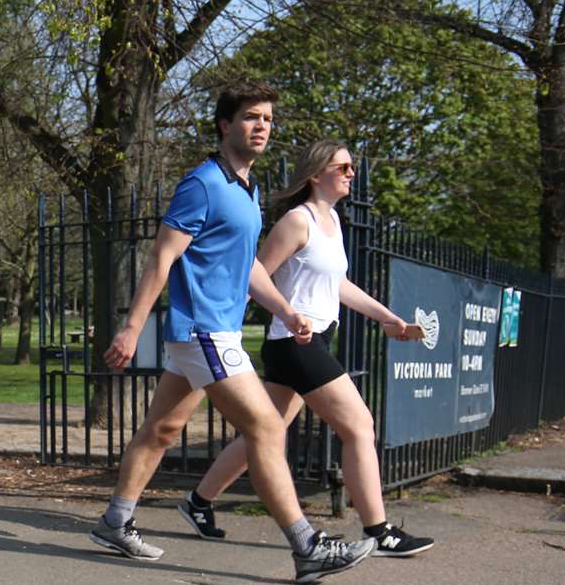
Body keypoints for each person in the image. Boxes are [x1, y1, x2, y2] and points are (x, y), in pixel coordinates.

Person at [88, 82, 376, 584]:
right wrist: (132, 327)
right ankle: (307, 546)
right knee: (266, 427)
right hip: (204, 330)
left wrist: (285, 309)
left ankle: (115, 520)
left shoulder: (246, 189)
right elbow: (163, 255)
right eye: (250, 117)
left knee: (162, 429)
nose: (261, 126)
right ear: (225, 125)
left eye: (267, 118)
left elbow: (246, 268)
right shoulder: (203, 185)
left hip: (215, 331)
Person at [175, 142, 434, 557]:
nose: (352, 172)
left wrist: (388, 318)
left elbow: (338, 285)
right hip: (297, 343)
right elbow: (254, 270)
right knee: (359, 426)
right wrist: (256, 317)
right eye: (343, 166)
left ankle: (198, 502)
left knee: (265, 434)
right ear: (316, 174)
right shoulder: (298, 221)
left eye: (353, 166)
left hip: (312, 339)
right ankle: (379, 530)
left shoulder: (332, 221)